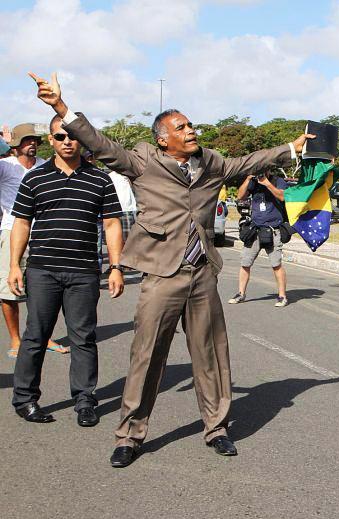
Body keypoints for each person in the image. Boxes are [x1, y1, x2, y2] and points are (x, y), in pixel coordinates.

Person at [30, 71, 314, 467]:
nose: (191, 130)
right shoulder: (144, 161)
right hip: (163, 273)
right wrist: (62, 107)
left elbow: (246, 162)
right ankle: (130, 435)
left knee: (211, 354)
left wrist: (290, 147)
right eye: (182, 127)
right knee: (146, 356)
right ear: (164, 138)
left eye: (192, 124)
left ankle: (216, 428)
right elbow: (101, 144)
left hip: (202, 274)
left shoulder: (211, 162)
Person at [8, 115, 124, 426]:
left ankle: (85, 400)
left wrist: (115, 267)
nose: (67, 141)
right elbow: (21, 223)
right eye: (60, 137)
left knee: (83, 337)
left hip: (84, 272)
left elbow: (112, 223)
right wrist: (14, 266)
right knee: (36, 335)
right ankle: (24, 399)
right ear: (51, 140)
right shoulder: (34, 178)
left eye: (73, 136)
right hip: (42, 270)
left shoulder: (100, 179)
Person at [0, 123, 68, 358]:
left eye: (34, 140)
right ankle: (16, 339)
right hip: (12, 230)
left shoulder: (44, 166)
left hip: (43, 232)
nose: (31, 144)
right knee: (9, 291)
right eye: (26, 140)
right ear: (15, 145)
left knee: (42, 289)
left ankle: (42, 336)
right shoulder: (5, 167)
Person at [229, 172, 289, 307]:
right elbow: (240, 196)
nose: (260, 172)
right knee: (245, 262)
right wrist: (248, 178)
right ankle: (241, 293)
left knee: (276, 264)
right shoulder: (253, 182)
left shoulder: (278, 180)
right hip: (255, 229)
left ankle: (282, 296)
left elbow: (282, 196)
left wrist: (267, 183)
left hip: (273, 229)